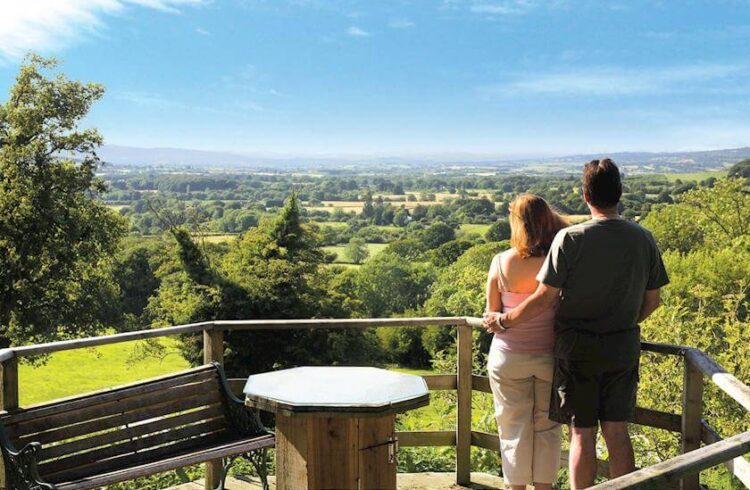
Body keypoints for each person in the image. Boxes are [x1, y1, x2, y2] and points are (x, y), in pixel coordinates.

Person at [486, 159, 669, 489]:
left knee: (581, 432)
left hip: (577, 348)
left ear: (585, 195)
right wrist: (623, 321)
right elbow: (653, 301)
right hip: (622, 346)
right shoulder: (644, 238)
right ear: (620, 193)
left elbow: (544, 298)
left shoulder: (570, 239)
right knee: (616, 430)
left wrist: (505, 320)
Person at [483, 194, 568, 490]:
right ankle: (544, 488)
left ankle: (516, 488)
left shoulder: (501, 262)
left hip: (508, 356)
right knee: (548, 427)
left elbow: (490, 313)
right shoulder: (557, 263)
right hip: (548, 355)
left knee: (512, 427)